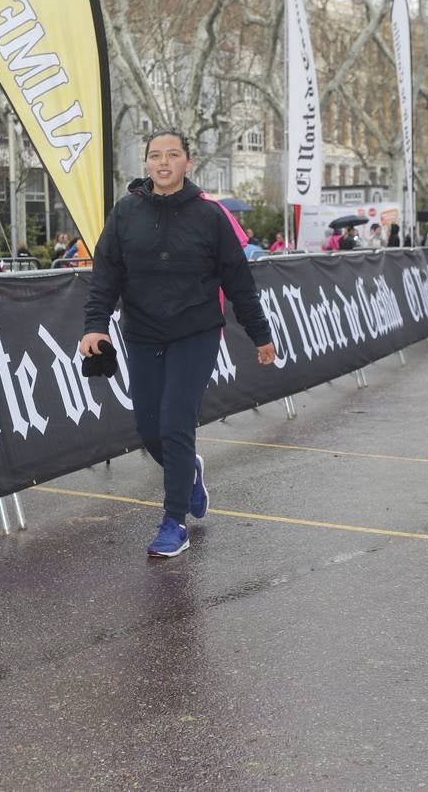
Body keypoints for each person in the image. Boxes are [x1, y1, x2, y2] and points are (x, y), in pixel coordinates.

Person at [81, 129, 276, 558]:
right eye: (154, 155)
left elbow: (238, 281)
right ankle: (188, 474)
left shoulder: (211, 216)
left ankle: (174, 522)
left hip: (196, 331)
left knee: (174, 422)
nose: (163, 162)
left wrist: (260, 334)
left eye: (173, 155)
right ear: (146, 162)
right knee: (149, 428)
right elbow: (105, 276)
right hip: (143, 332)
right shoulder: (125, 213)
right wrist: (95, 325)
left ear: (189, 162)